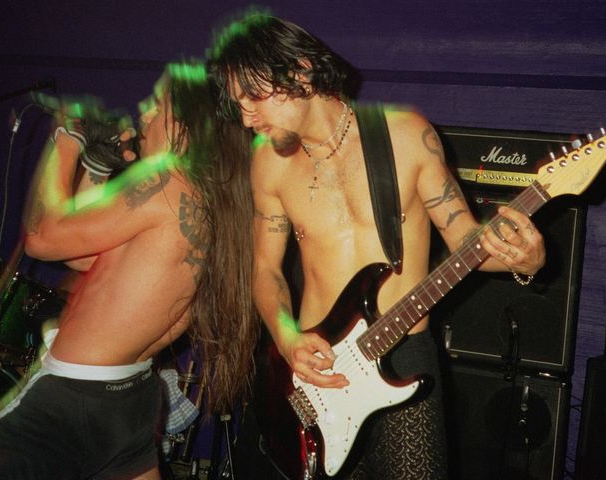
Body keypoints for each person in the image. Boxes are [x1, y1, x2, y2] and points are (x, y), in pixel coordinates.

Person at [209, 13, 546, 480]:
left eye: (252, 96)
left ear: (301, 72)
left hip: (402, 351)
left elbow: (466, 238)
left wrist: (524, 260)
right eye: (238, 103)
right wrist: (287, 340)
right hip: (313, 364)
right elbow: (264, 269)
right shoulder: (268, 163)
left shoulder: (406, 134)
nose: (246, 117)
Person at [0, 60, 259, 480]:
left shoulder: (165, 180)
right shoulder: (212, 202)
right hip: (131, 398)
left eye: (157, 103)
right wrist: (97, 166)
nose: (143, 112)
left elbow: (42, 236)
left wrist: (66, 136)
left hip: (73, 395)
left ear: (184, 122)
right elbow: (86, 256)